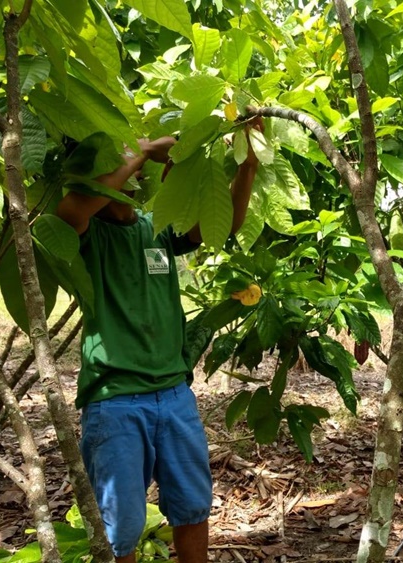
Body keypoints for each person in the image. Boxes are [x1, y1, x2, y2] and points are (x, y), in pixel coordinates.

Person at [56, 120, 262, 563]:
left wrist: (246, 167)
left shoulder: (156, 230)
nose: (132, 181)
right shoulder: (84, 234)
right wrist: (144, 151)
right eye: (117, 172)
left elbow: (220, 224)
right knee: (121, 530)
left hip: (174, 395)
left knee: (191, 507)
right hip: (114, 400)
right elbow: (72, 211)